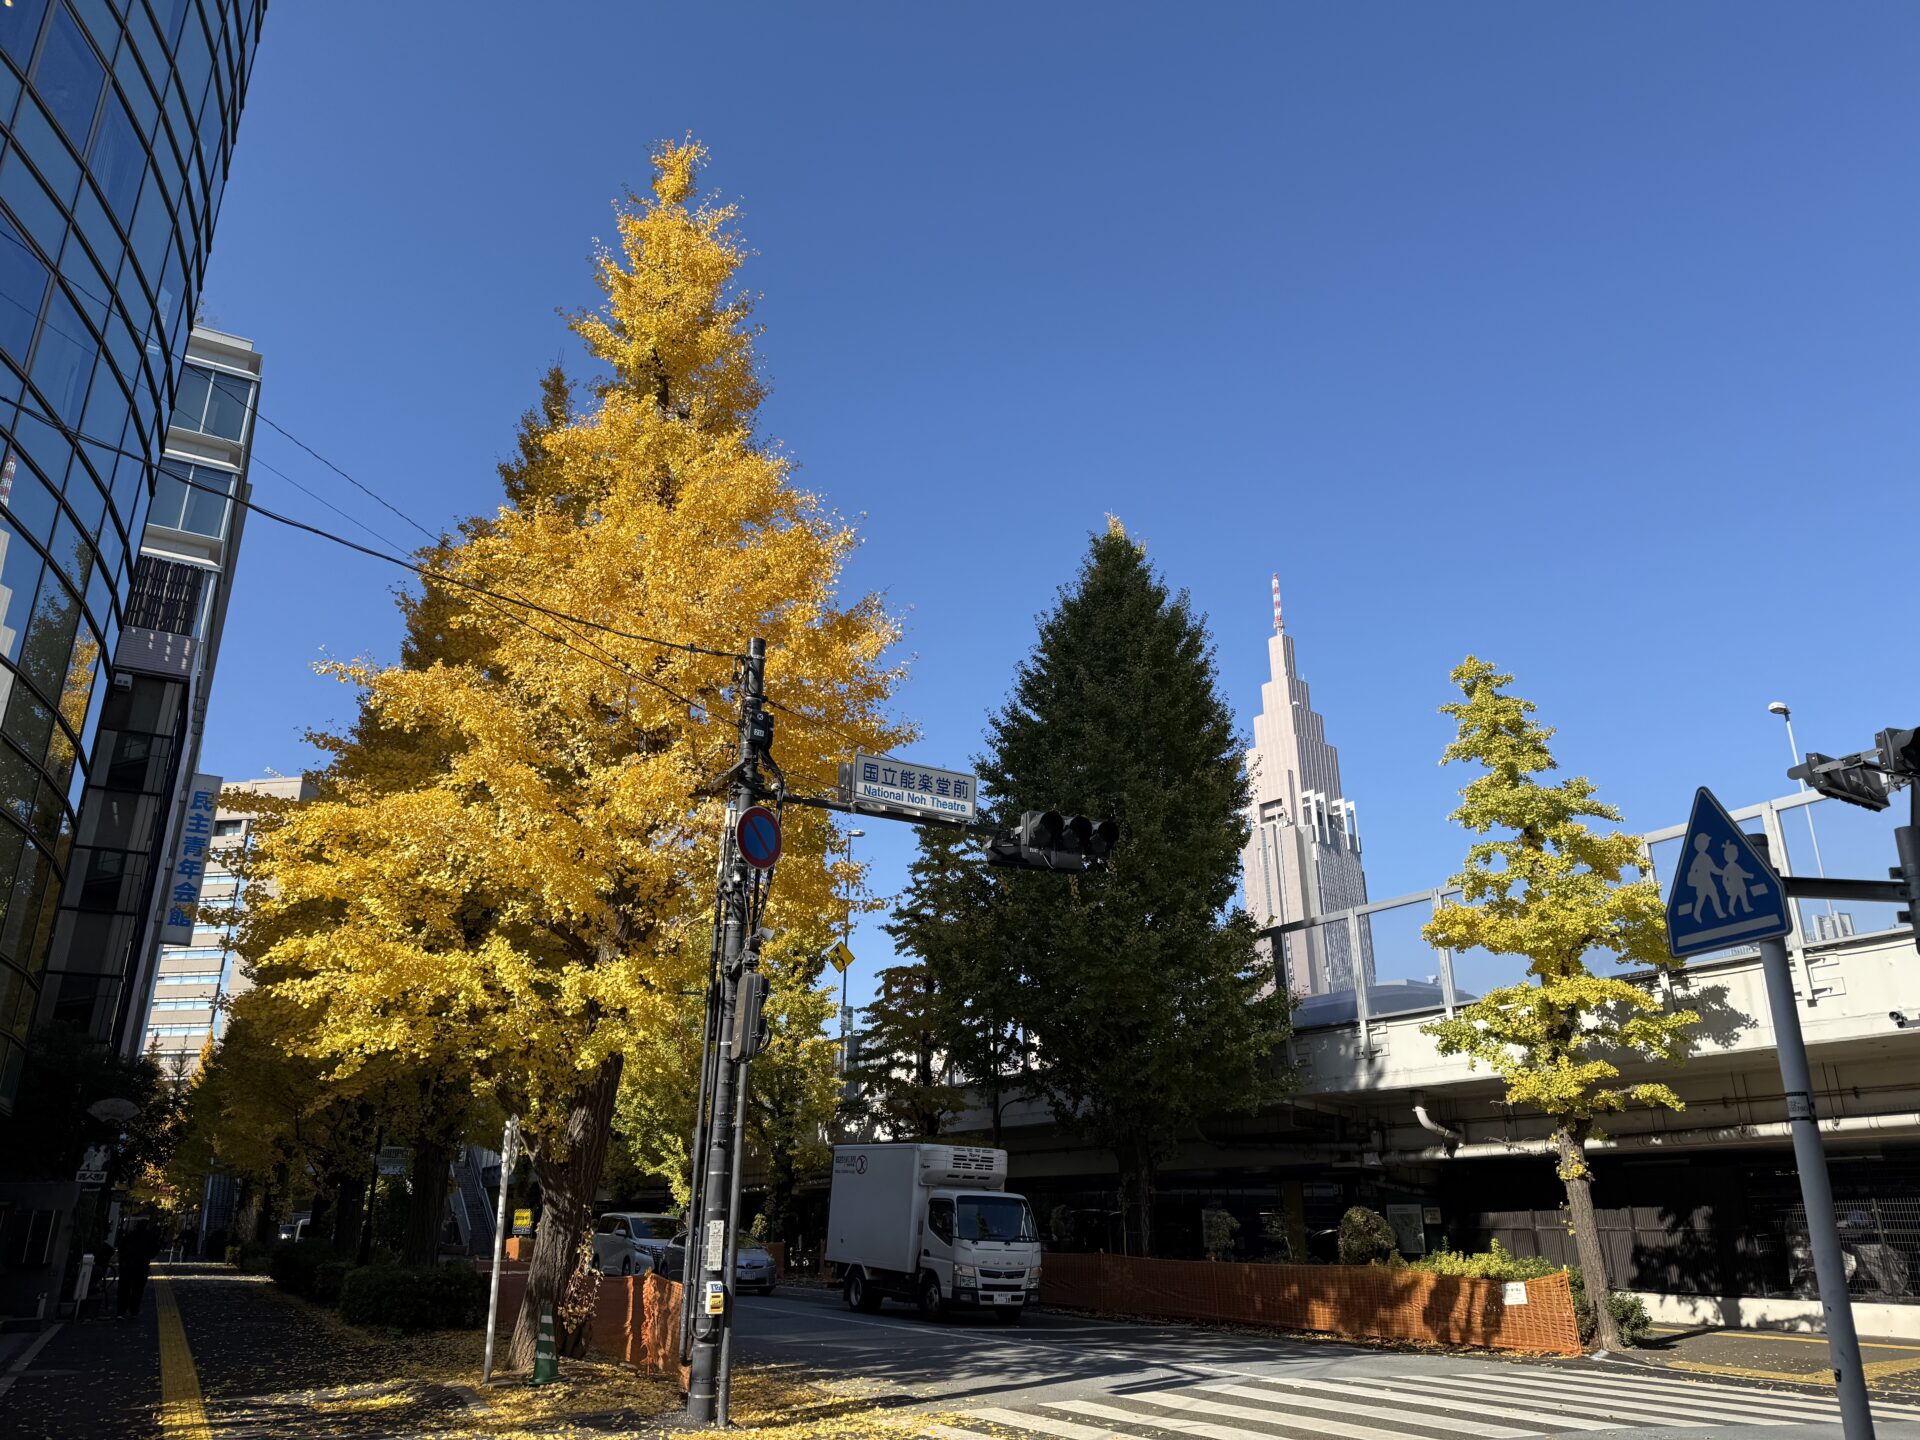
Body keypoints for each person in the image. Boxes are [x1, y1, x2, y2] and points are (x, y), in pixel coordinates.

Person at [117, 1217, 162, 1319]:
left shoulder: (130, 1235)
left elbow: (121, 1248)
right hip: (141, 1266)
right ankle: (134, 1310)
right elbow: (154, 1251)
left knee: (124, 1288)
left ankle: (120, 1311)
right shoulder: (150, 1237)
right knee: (138, 1290)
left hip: (127, 1266)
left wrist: (122, 1261)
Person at [1686, 834, 1725, 921]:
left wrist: (1723, 872)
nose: (1707, 844)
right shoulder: (1701, 857)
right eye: (1706, 842)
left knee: (1711, 897)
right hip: (1703, 883)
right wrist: (1723, 872)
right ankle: (1697, 914)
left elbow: (1713, 869)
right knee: (1704, 898)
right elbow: (1713, 869)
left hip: (1707, 882)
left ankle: (1719, 914)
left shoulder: (1704, 857)